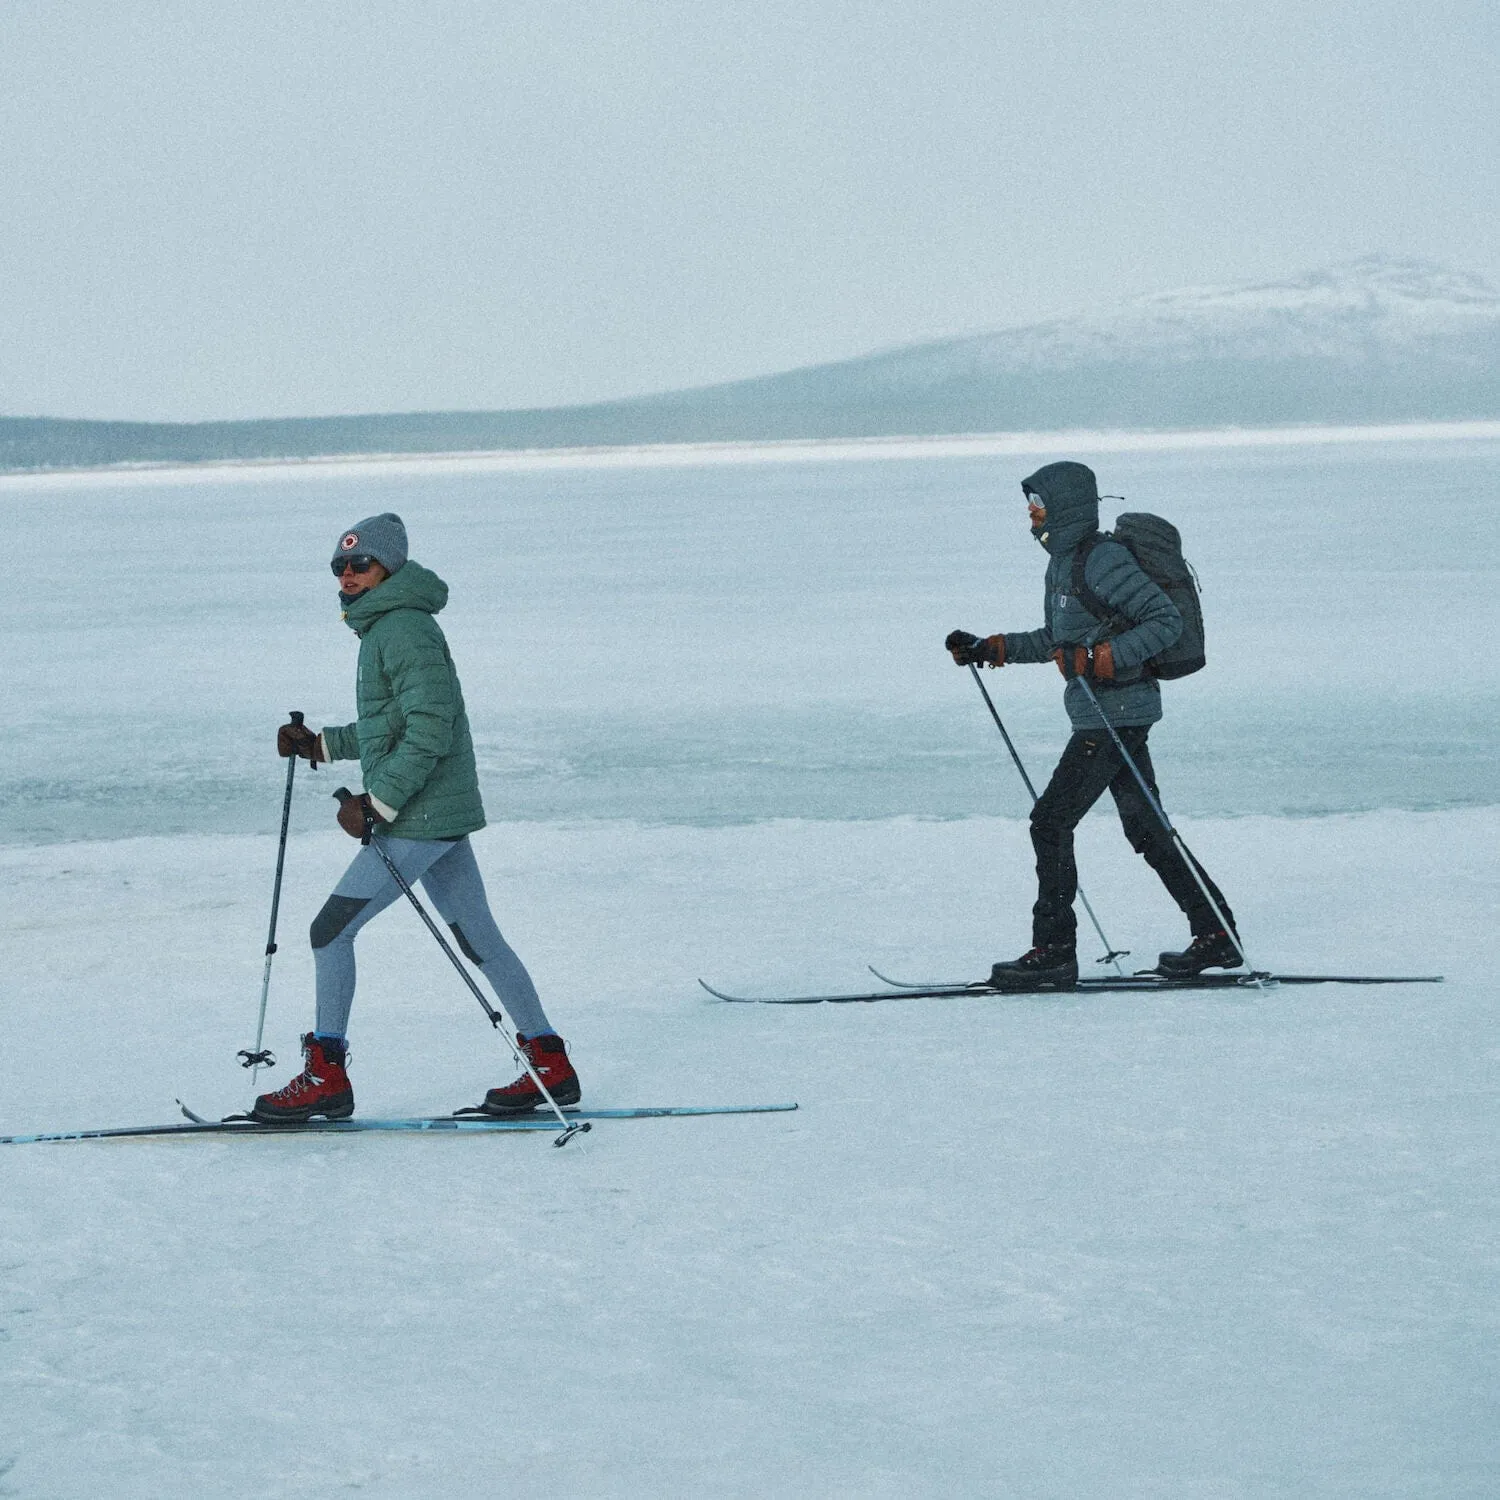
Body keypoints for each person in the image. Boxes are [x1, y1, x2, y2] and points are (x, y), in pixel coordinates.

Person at [253, 512, 581, 1122]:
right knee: (481, 939)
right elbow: (393, 726)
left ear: (389, 569)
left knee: (330, 931)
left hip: (419, 815)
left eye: (361, 565)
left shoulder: (401, 629)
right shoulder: (389, 628)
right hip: (436, 812)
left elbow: (432, 728)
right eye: (340, 567)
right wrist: (321, 744)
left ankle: (327, 1076)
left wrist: (377, 804)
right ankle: (550, 1066)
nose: (347, 577)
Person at [945, 461, 1239, 991]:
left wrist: (1103, 660)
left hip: (1115, 715)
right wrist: (992, 649)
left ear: (1066, 507)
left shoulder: (1103, 560)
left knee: (1050, 823)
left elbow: (1164, 620)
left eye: (1039, 505)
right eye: (1030, 505)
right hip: (1105, 715)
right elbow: (1060, 641)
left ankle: (1054, 952)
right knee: (1147, 829)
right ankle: (1216, 934)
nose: (1032, 515)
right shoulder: (1063, 564)